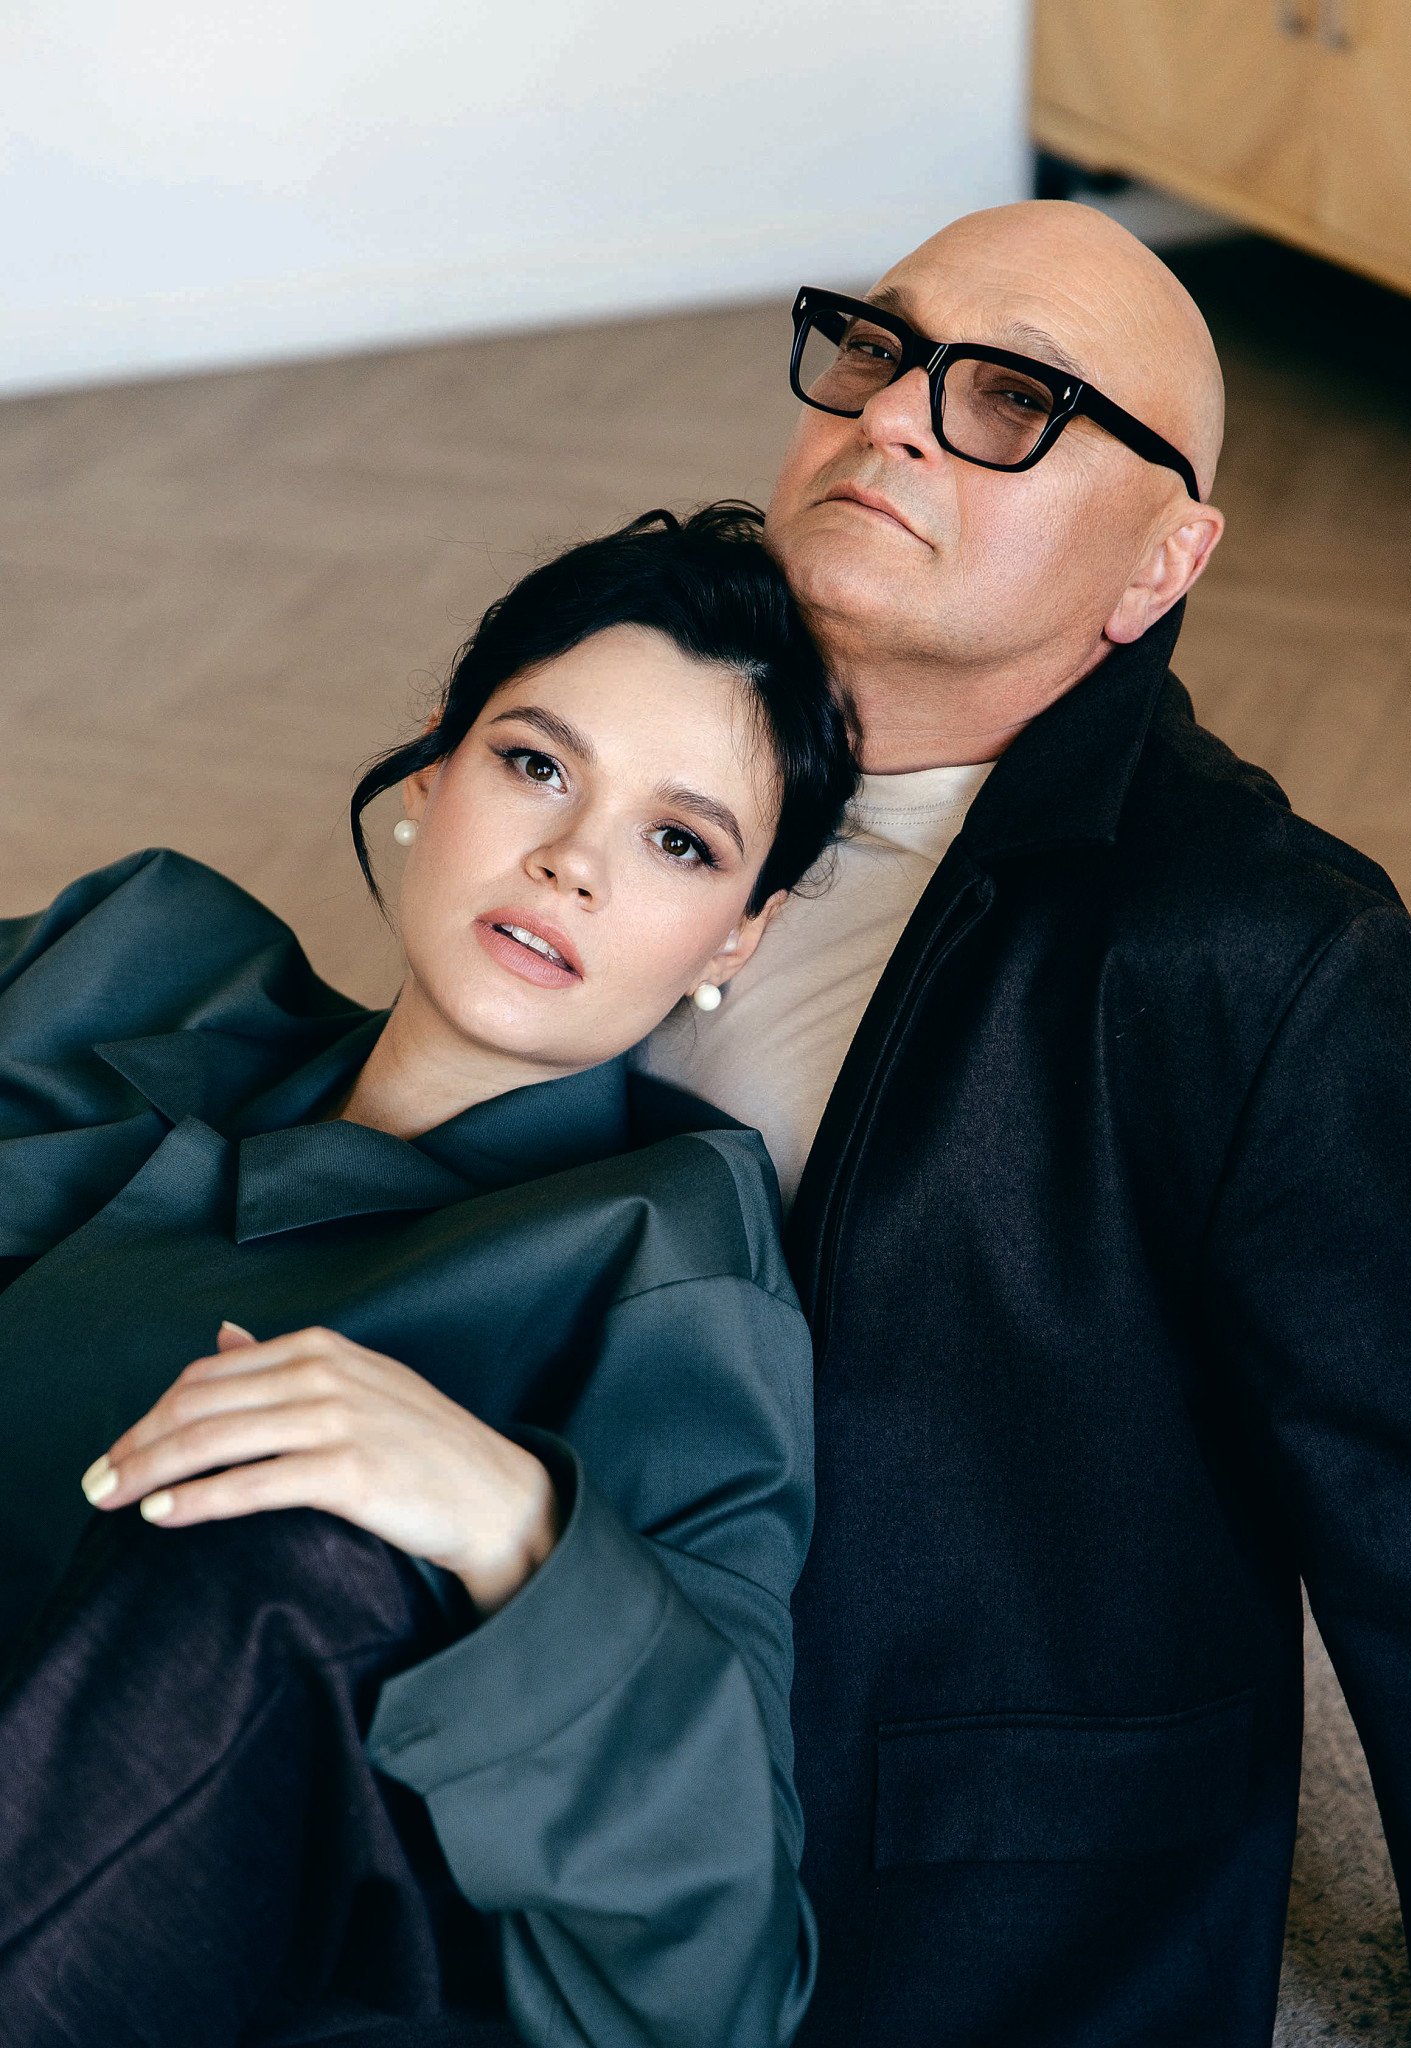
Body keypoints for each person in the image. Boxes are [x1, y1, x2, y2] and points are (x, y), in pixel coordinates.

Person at [638, 202, 1411, 2044]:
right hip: (546, 1679)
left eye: (1014, 398)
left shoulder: (1257, 948)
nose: (889, 415)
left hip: (925, 1867)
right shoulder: (630, 747)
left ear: (1162, 561)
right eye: (877, 347)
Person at [0, 505, 858, 2048]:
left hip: (140, 1931)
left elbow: (722, 1977)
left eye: (679, 842)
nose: (570, 863)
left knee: (291, 1532)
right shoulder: (133, 963)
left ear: (740, 935)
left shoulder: (662, 1258)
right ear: (429, 773)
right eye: (535, 764)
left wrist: (512, 1521)